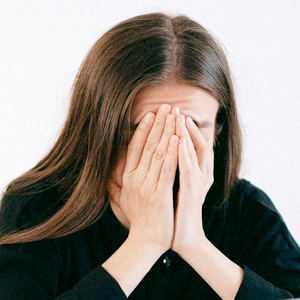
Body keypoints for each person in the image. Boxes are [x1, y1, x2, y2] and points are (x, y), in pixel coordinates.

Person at [0, 12, 299, 300]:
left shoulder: (246, 211)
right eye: (143, 134)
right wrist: (144, 244)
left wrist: (194, 244)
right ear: (97, 130)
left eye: (191, 131)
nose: (166, 155)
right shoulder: (36, 209)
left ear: (217, 131)